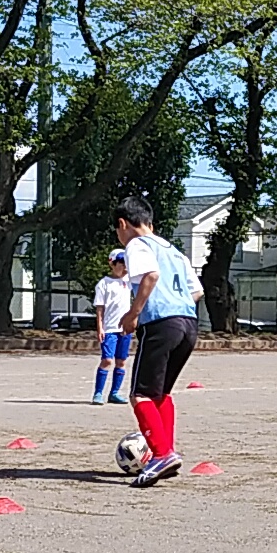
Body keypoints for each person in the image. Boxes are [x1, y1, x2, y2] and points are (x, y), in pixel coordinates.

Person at [116, 196, 203, 487]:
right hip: (188, 323)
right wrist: (176, 308)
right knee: (160, 393)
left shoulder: (137, 245)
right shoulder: (175, 251)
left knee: (139, 395)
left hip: (161, 325)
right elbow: (197, 291)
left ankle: (162, 453)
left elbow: (151, 276)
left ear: (122, 224)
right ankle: (167, 453)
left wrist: (134, 314)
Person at [91, 248, 134, 404]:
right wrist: (100, 328)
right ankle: (98, 393)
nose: (124, 267)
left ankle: (114, 392)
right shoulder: (104, 284)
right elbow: (100, 308)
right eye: (121, 263)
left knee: (121, 361)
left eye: (126, 263)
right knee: (107, 360)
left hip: (124, 329)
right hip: (110, 328)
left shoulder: (128, 281)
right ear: (112, 263)